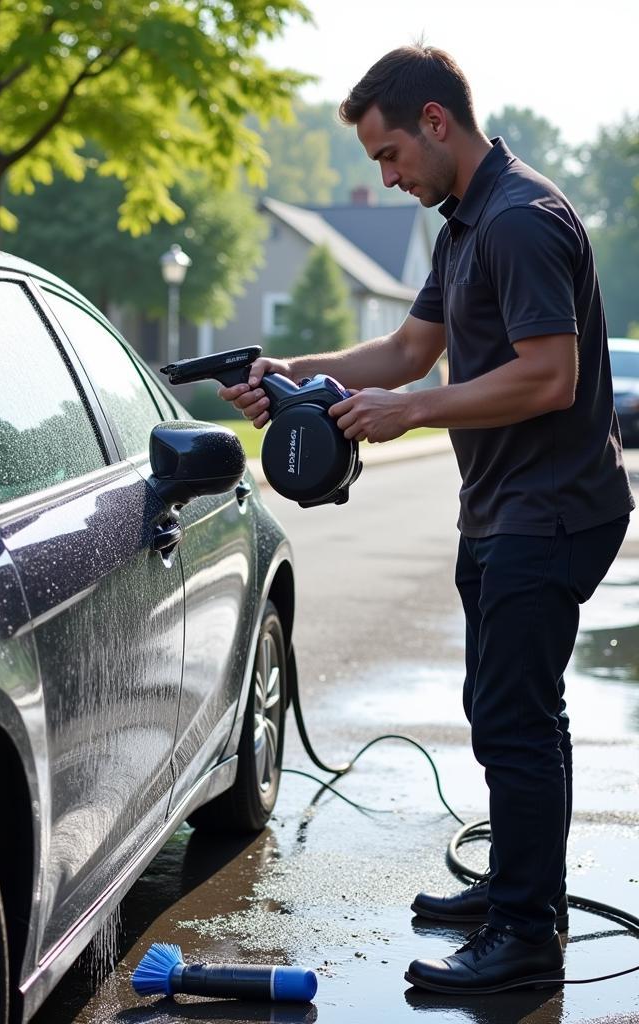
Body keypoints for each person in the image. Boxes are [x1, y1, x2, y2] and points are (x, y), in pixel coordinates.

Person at [220, 44, 634, 995]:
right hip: (502, 508)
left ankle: (526, 932)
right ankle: (521, 889)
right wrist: (296, 376)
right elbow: (409, 348)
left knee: (512, 718)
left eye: (390, 155)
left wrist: (409, 413)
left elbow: (549, 375)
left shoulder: (522, 220)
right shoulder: (464, 226)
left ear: (436, 123)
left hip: (553, 509)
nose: (388, 177)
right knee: (513, 714)